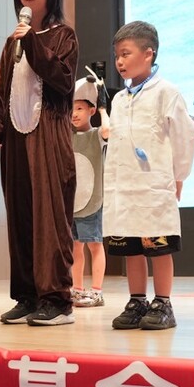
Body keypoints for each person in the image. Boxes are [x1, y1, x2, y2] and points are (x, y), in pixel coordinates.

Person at [0, 0, 79, 327]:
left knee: (50, 217)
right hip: (17, 139)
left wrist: (32, 42)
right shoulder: (13, 42)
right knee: (20, 215)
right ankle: (28, 296)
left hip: (48, 135)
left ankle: (57, 300)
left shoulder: (63, 35)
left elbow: (62, 80)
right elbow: (1, 89)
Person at [103, 20, 194, 331]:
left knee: (158, 246)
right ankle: (137, 301)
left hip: (153, 185)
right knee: (131, 248)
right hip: (123, 188)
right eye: (117, 56)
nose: (119, 62)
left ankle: (163, 303)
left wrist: (179, 176)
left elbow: (184, 135)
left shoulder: (166, 92)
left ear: (148, 54)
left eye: (125, 54)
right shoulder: (119, 99)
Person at [71, 76, 110, 307]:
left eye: (79, 109)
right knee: (75, 247)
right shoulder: (67, 135)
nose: (74, 114)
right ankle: (77, 289)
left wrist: (103, 107)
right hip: (72, 202)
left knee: (95, 245)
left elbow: (108, 129)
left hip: (92, 200)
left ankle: (97, 291)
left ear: (91, 110)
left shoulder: (96, 134)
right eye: (71, 109)